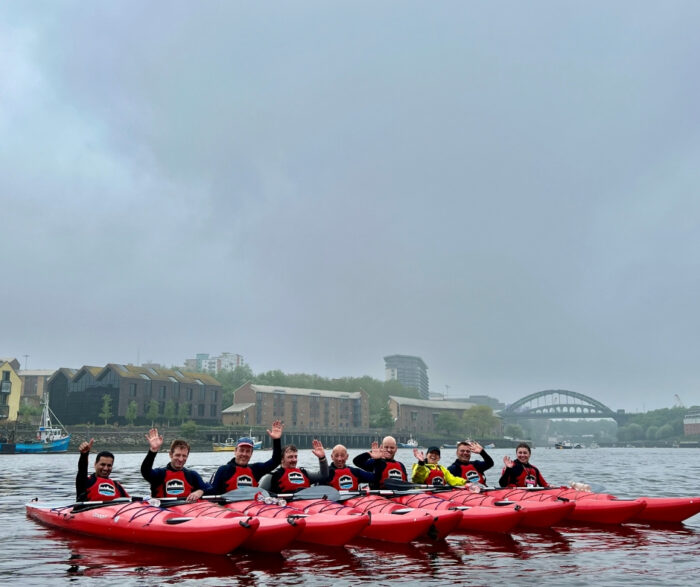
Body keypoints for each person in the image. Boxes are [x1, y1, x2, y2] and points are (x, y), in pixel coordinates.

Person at [209, 420, 284, 493]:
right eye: (241, 450)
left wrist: (276, 440)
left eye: (248, 451)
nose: (244, 454)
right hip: (228, 504)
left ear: (251, 453)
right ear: (235, 451)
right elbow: (211, 492)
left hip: (251, 504)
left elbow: (276, 460)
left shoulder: (256, 469)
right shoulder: (223, 470)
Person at [141, 428, 212, 502]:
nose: (181, 459)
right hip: (163, 510)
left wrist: (201, 491)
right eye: (177, 455)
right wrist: (153, 450)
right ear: (171, 455)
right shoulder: (160, 474)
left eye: (184, 456)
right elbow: (145, 472)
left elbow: (211, 489)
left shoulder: (192, 475)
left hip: (186, 511)